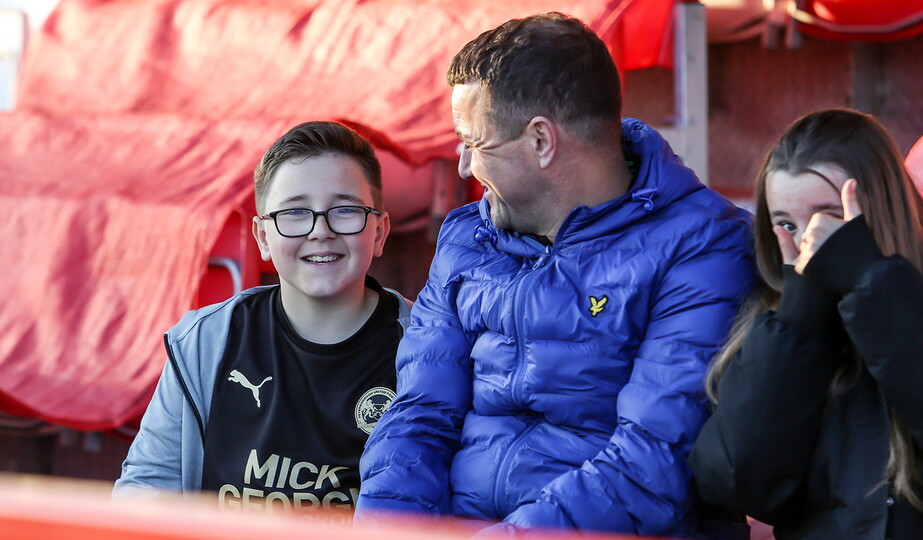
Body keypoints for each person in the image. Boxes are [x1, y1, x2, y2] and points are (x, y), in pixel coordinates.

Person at [355, 12, 755, 538]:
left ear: (541, 140)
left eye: (472, 142)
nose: (462, 165)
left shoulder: (705, 244)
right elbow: (417, 418)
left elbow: (654, 466)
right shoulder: (465, 240)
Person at [114, 121, 411, 515]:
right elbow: (144, 495)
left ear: (378, 232)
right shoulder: (206, 343)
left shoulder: (426, 348)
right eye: (294, 212)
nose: (320, 231)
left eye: (344, 210)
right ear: (262, 238)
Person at [688, 109, 923, 539]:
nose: (807, 241)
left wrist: (871, 281)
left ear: (880, 206)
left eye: (827, 217)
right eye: (786, 224)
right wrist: (799, 320)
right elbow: (737, 483)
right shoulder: (779, 318)